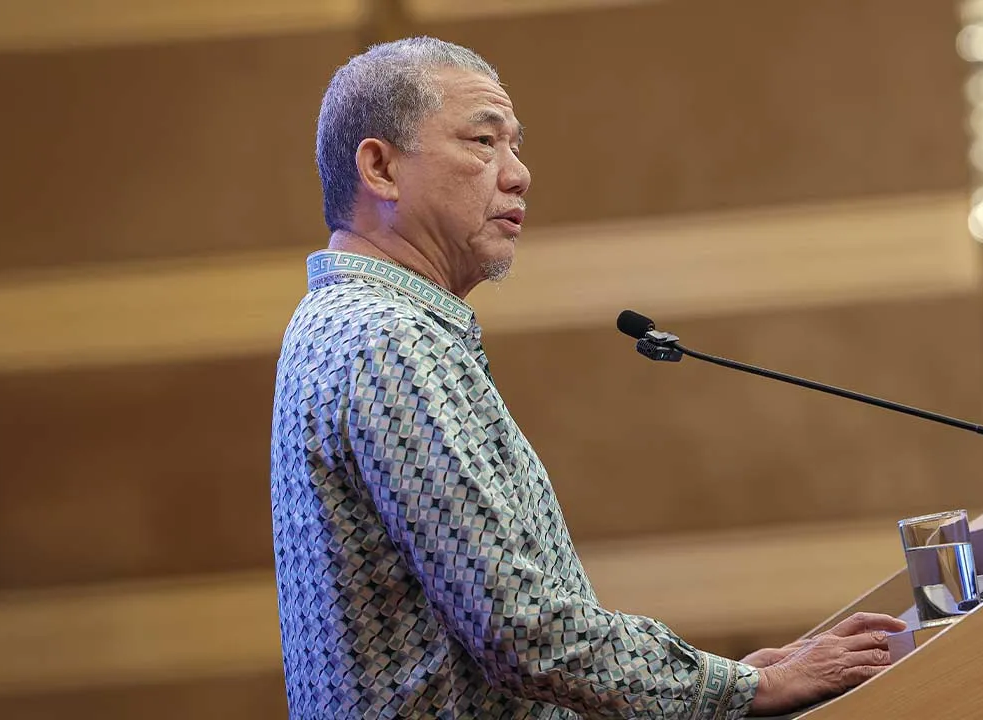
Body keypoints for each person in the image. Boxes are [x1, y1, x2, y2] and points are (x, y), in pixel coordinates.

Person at [269, 36, 907, 719]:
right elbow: (520, 630)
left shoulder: (342, 324)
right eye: (484, 142)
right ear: (381, 168)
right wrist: (743, 689)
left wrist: (714, 680)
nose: (517, 174)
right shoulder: (389, 339)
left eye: (515, 145)